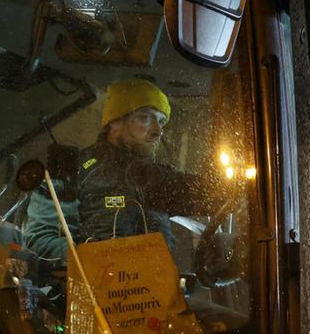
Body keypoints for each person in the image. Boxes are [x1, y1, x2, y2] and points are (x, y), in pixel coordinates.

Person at [22, 78, 217, 264]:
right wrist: (98, 260)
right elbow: (40, 239)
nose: (158, 130)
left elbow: (213, 197)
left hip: (155, 284)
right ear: (114, 122)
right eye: (145, 118)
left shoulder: (158, 177)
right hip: (93, 284)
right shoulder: (72, 170)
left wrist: (228, 189)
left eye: (161, 121)